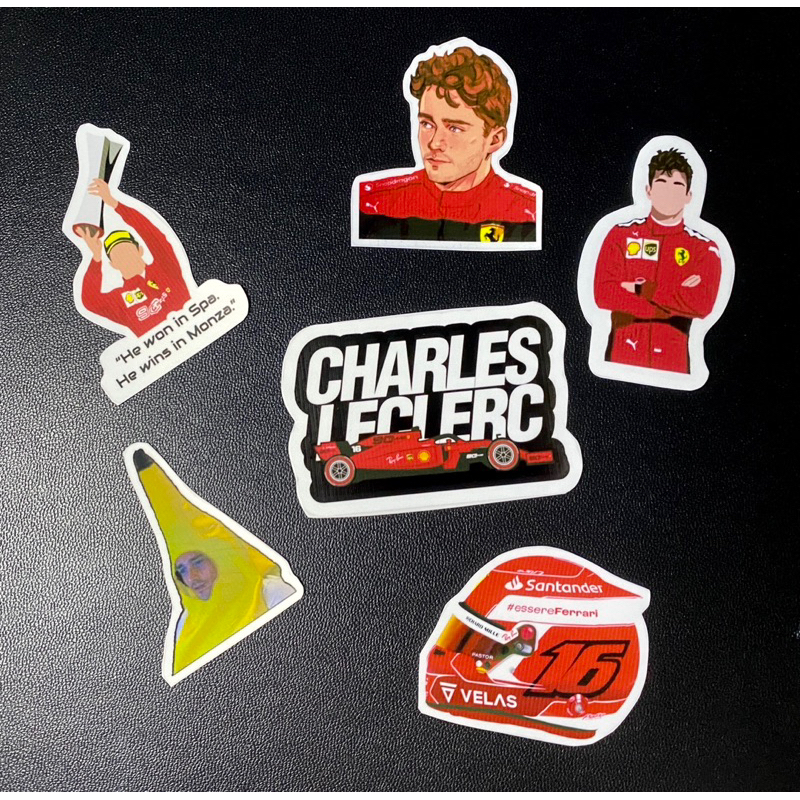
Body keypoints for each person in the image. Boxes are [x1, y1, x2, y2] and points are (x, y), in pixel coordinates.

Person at [357, 44, 537, 243]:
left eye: (454, 128)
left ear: (495, 140)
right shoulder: (371, 204)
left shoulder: (527, 213)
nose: (434, 143)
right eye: (427, 124)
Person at [593, 148, 722, 373]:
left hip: (673, 366)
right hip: (621, 359)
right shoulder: (620, 235)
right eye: (661, 183)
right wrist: (669, 306)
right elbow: (604, 293)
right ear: (649, 190)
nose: (669, 192)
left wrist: (643, 289)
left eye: (677, 185)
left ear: (689, 196)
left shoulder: (703, 248)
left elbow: (702, 304)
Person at [75, 179, 191, 336]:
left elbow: (153, 235)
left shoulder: (165, 269)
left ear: (140, 250)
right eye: (118, 254)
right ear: (113, 264)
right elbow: (90, 301)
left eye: (128, 250)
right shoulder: (120, 301)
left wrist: (115, 204)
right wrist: (96, 258)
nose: (125, 257)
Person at [173, 551, 296, 642]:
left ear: (218, 558)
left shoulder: (271, 591)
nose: (192, 577)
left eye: (198, 562)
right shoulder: (184, 625)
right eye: (182, 570)